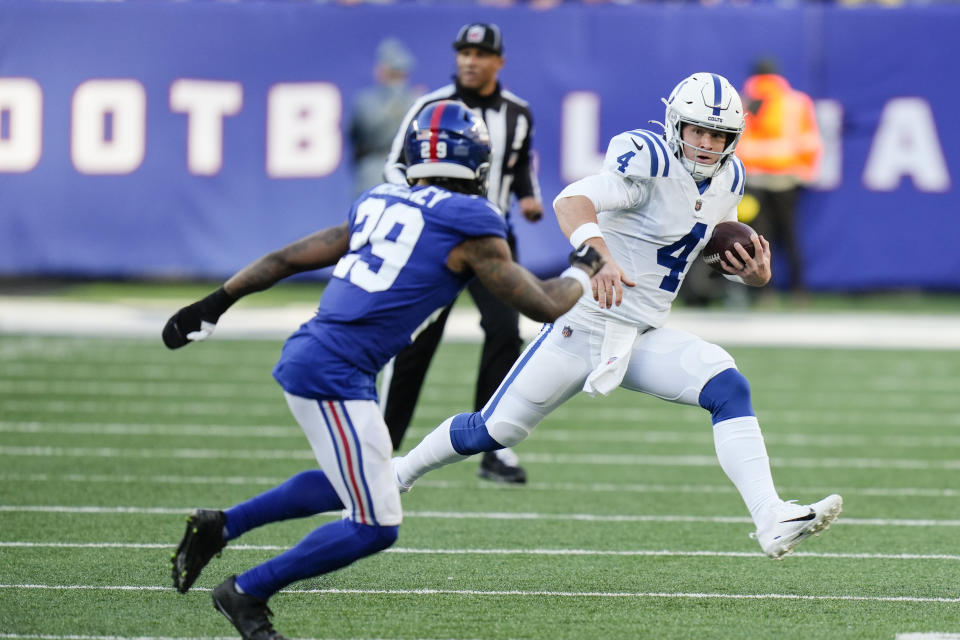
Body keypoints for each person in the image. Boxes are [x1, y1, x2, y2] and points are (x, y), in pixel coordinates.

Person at [162, 100, 603, 640]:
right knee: (376, 524)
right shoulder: (473, 221)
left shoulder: (380, 199)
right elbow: (544, 304)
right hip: (334, 371)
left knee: (359, 482)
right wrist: (584, 268)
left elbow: (285, 259)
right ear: (479, 164)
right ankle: (247, 591)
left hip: (324, 357)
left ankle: (222, 525)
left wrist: (211, 304)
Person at [393, 73, 843, 560]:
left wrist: (751, 276)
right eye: (699, 131)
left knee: (726, 384)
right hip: (579, 326)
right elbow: (572, 201)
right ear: (676, 126)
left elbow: (702, 252)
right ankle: (395, 475)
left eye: (719, 135)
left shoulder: (728, 179)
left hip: (642, 332)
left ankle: (770, 517)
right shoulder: (646, 159)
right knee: (493, 430)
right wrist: (598, 254)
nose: (709, 144)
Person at [380, 22, 543, 484]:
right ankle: (383, 444)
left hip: (492, 240)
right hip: (438, 240)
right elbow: (395, 166)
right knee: (415, 340)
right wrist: (429, 203)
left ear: (499, 62)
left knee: (505, 332)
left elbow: (519, 163)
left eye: (480, 53)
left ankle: (493, 446)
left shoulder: (518, 112)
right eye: (463, 52)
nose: (469, 60)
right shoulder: (429, 105)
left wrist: (529, 196)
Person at [736, 58, 823, 297]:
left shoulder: (741, 102)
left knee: (757, 237)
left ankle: (763, 293)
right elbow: (811, 142)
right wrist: (805, 172)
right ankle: (799, 291)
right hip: (786, 178)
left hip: (753, 179)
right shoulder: (797, 103)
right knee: (789, 235)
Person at [347, 38, 419, 198]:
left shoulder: (365, 101)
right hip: (403, 171)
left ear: (382, 70)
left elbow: (355, 138)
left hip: (379, 170)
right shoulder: (418, 99)